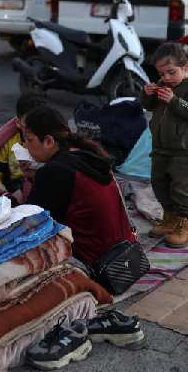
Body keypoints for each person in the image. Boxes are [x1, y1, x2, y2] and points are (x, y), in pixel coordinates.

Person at [22, 105, 136, 268]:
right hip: (125, 253)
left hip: (94, 263)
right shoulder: (87, 154)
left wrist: (6, 198)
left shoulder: (56, 171)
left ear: (48, 141)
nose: (25, 146)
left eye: (29, 139)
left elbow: (32, 220)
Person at [140, 42, 188, 248]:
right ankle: (169, 219)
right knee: (160, 184)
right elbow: (148, 106)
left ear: (185, 66)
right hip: (160, 148)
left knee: (182, 188)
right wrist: (148, 94)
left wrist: (174, 100)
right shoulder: (163, 85)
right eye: (162, 73)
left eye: (171, 72)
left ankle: (184, 225)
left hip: (183, 151)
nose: (166, 78)